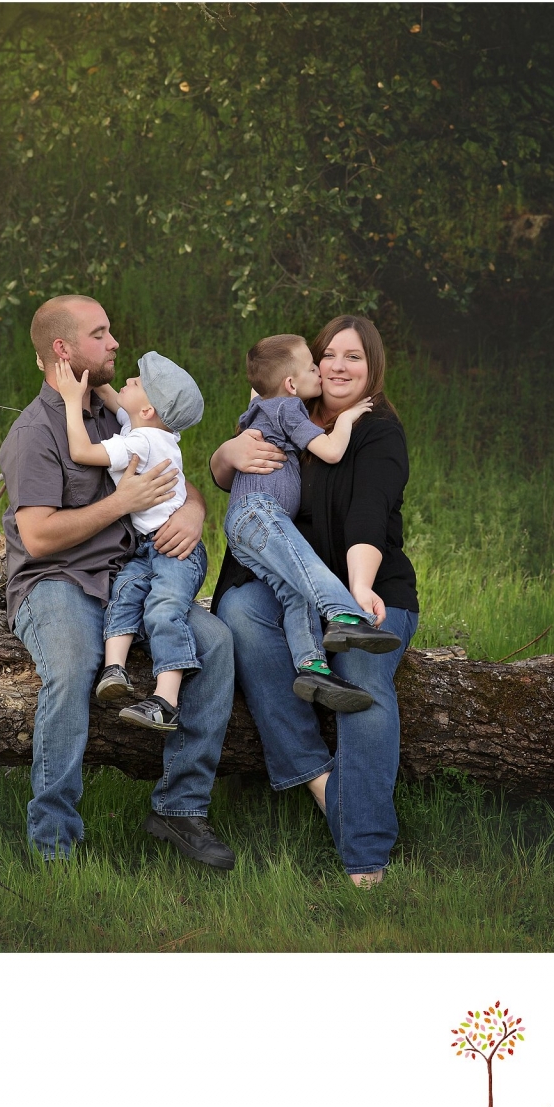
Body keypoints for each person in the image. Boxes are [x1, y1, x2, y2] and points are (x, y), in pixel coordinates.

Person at [0, 294, 235, 868]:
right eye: (101, 335)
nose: (114, 344)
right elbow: (39, 537)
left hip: (132, 572)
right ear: (64, 348)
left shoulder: (115, 413)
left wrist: (194, 512)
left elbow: (172, 477)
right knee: (74, 663)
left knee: (217, 645)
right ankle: (54, 841)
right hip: (58, 580)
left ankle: (179, 808)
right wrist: (121, 502)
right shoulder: (36, 433)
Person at [210, 315, 419, 887]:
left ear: (373, 366)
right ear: (310, 367)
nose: (338, 366)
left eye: (353, 357)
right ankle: (320, 782)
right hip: (288, 585)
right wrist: (226, 454)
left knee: (361, 676)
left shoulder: (377, 431)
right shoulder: (292, 416)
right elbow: (229, 475)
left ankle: (366, 855)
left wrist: (357, 589)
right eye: (329, 355)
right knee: (239, 618)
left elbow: (368, 514)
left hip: (365, 585)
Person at [224, 332, 402, 714]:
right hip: (260, 512)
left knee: (294, 593)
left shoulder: (263, 405)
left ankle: (312, 667)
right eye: (313, 367)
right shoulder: (289, 409)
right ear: (290, 385)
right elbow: (332, 451)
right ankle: (344, 614)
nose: (321, 373)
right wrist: (350, 418)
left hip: (249, 521)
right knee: (305, 564)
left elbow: (258, 392)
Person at [55, 350, 207, 732]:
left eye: (136, 383)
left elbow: (81, 451)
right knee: (125, 591)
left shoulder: (141, 442)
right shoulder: (155, 431)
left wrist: (73, 401)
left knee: (162, 610)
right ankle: (114, 670)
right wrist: (93, 377)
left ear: (148, 411)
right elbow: (118, 402)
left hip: (173, 551)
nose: (127, 382)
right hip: (149, 547)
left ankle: (166, 701)